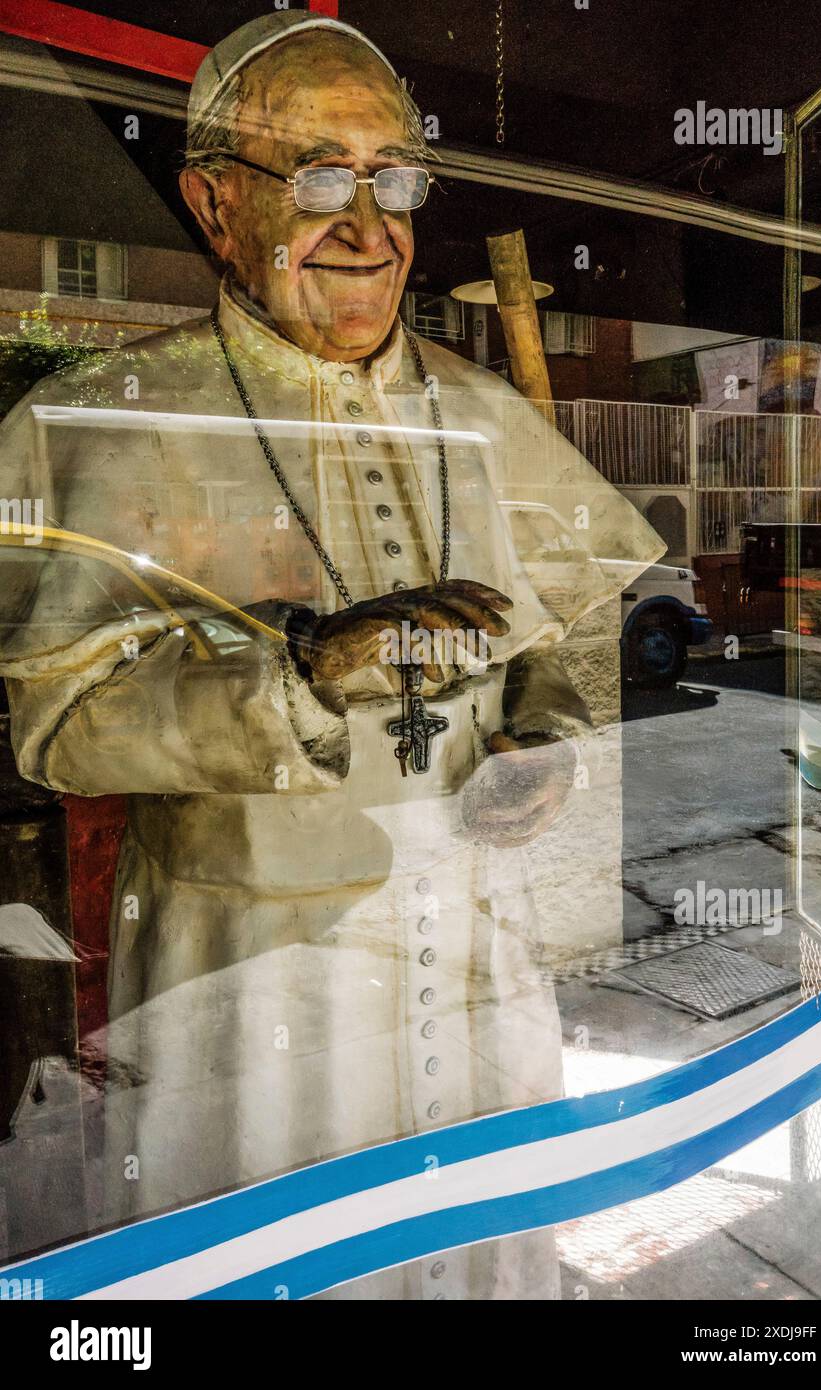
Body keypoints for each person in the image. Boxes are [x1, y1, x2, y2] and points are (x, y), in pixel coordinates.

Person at [0, 11, 662, 1298]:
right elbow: (54, 722)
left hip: (477, 937)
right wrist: (299, 676)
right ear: (211, 204)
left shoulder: (477, 410)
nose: (369, 227)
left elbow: (563, 626)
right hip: (246, 966)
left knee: (484, 1252)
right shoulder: (105, 422)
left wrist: (549, 735)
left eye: (394, 178)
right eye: (317, 177)